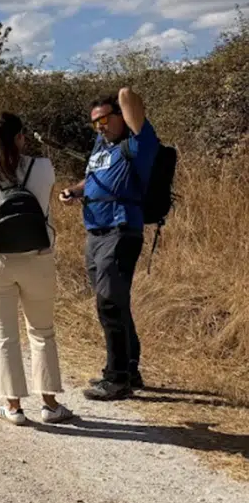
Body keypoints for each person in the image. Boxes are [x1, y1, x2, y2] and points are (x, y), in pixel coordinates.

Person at [0, 112, 73, 425]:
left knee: (4, 335)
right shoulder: (44, 168)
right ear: (21, 138)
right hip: (38, 257)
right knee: (42, 331)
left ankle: (13, 408)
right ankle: (50, 405)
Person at [59, 87, 158, 401]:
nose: (99, 126)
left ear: (121, 116)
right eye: (94, 122)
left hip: (120, 229)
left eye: (104, 119)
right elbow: (92, 178)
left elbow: (128, 96)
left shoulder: (139, 141)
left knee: (109, 304)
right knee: (116, 301)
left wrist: (121, 99)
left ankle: (116, 379)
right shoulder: (102, 146)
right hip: (96, 232)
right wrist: (75, 191)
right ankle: (129, 369)